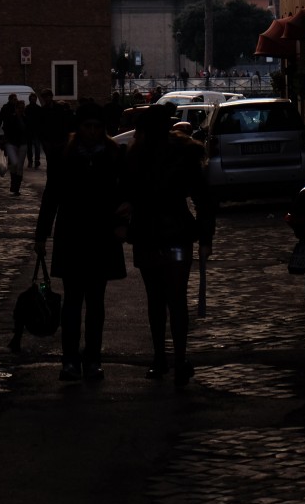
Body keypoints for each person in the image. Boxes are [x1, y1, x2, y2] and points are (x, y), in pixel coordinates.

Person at [34, 103, 129, 381]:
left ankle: (93, 358)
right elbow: (51, 196)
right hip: (72, 235)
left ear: (103, 129)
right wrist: (41, 235)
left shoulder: (113, 155)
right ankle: (70, 359)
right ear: (80, 127)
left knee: (96, 302)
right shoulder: (63, 155)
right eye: (87, 126)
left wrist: (123, 221)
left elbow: (124, 193)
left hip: (101, 235)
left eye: (96, 126)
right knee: (73, 302)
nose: (92, 131)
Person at [123, 103, 215, 387]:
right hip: (172, 231)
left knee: (160, 300)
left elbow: (203, 198)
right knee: (172, 300)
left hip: (154, 232)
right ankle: (174, 358)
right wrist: (205, 235)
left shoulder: (137, 158)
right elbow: (204, 199)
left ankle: (165, 358)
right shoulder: (182, 155)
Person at [38, 89, 74, 177]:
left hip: (59, 139)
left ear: (51, 97)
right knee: (50, 161)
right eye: (44, 98)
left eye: (47, 97)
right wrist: (43, 140)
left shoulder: (59, 108)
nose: (46, 99)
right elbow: (41, 126)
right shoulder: (43, 110)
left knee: (58, 160)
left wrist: (64, 138)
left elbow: (64, 123)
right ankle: (51, 179)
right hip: (48, 140)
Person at [0, 99, 28, 195]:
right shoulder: (11, 118)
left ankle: (16, 188)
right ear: (16, 108)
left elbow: (29, 130)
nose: (21, 110)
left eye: (22, 108)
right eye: (19, 108)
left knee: (19, 166)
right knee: (14, 164)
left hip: (23, 143)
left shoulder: (26, 118)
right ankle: (13, 184)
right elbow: (6, 129)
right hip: (12, 143)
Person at [24, 92, 42, 169]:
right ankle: (31, 161)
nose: (33, 100)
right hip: (29, 131)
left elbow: (41, 120)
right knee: (29, 148)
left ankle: (36, 161)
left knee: (37, 147)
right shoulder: (27, 108)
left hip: (36, 131)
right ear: (30, 100)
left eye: (34, 99)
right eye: (32, 99)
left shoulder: (38, 109)